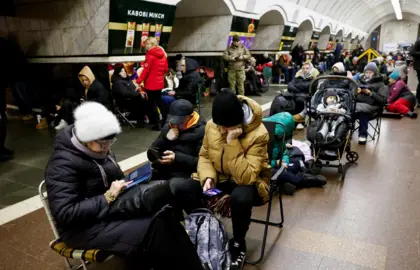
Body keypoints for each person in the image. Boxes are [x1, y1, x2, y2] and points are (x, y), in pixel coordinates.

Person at [45, 102, 203, 270]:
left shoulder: (100, 151)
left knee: (164, 214)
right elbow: (65, 213)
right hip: (83, 228)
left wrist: (128, 183)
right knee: (155, 229)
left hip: (110, 211)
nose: (107, 149)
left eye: (110, 143)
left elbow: (115, 178)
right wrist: (107, 197)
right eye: (103, 144)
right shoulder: (62, 165)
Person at [169, 90, 270, 269]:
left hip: (247, 182)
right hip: (219, 177)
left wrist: (232, 143)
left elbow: (246, 177)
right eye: (219, 126)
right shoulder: (211, 126)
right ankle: (209, 228)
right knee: (181, 188)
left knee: (241, 197)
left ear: (237, 122)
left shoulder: (259, 134)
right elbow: (205, 156)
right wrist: (207, 177)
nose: (222, 131)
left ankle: (239, 242)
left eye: (226, 127)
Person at [147, 99, 206, 180]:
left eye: (179, 122)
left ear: (191, 117)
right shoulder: (169, 126)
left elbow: (203, 163)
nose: (175, 125)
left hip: (185, 175)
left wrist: (176, 158)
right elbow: (152, 152)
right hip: (163, 170)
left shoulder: (202, 132)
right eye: (173, 122)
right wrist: (166, 139)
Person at [136, 37, 168, 130]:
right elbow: (165, 69)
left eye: (147, 44)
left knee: (151, 104)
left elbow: (146, 70)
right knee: (159, 102)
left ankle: (156, 123)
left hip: (151, 84)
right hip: (159, 83)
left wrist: (138, 82)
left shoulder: (150, 55)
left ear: (153, 45)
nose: (146, 46)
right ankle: (165, 120)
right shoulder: (163, 55)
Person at [354, 62, 389, 144]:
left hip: (373, 108)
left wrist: (370, 93)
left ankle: (362, 135)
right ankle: (345, 134)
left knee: (363, 114)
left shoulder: (381, 84)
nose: (368, 74)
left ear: (375, 73)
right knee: (349, 114)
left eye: (370, 72)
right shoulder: (359, 81)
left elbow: (383, 100)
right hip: (358, 106)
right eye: (366, 72)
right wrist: (356, 91)